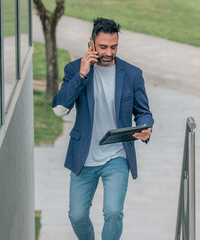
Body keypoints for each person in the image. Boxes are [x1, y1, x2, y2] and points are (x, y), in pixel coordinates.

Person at [52, 17, 154, 240]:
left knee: (113, 213)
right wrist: (81, 74)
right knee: (77, 216)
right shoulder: (74, 69)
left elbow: (144, 112)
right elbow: (59, 109)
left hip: (116, 155)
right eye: (103, 47)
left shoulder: (132, 74)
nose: (109, 52)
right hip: (84, 156)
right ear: (91, 44)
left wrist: (146, 128)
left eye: (114, 47)